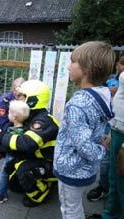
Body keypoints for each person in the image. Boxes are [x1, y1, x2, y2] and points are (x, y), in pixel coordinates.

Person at [53, 41, 115, 219]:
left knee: (69, 209)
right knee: (75, 204)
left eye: (73, 62)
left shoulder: (78, 104)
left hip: (70, 170)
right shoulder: (103, 96)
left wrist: (101, 149)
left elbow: (85, 146)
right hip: (86, 169)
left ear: (86, 69)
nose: (68, 66)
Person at [0, 79, 59, 207]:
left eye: (22, 96)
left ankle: (40, 194)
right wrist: (2, 147)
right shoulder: (31, 116)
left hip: (54, 165)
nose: (18, 99)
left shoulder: (43, 121)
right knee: (14, 184)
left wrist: (2, 137)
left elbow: (26, 143)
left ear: (33, 100)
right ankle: (40, 180)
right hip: (40, 157)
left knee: (23, 170)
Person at [90, 56, 124, 219]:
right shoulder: (114, 78)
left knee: (121, 178)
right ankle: (110, 213)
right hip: (117, 129)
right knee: (114, 177)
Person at [0, 100, 30, 203]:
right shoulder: (24, 128)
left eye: (9, 112)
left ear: (14, 117)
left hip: (11, 157)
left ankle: (0, 195)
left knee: (4, 174)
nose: (7, 114)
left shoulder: (12, 132)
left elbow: (8, 145)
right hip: (19, 157)